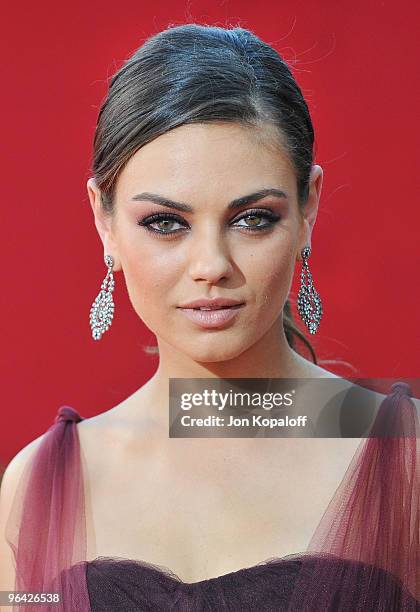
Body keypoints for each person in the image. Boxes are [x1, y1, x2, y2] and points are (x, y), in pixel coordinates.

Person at [0, 23, 418, 612]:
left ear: (309, 208)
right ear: (103, 220)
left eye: (253, 219)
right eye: (166, 223)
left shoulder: (408, 464)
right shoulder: (38, 488)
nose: (211, 265)